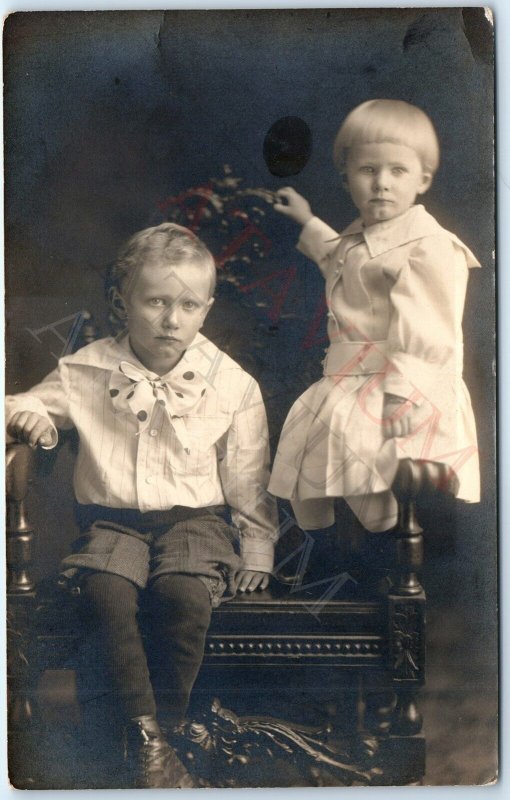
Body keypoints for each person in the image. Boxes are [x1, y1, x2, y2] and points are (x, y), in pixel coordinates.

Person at [6, 222, 278, 788]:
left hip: (196, 525)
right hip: (113, 523)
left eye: (186, 305)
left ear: (206, 309)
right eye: (154, 301)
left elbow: (249, 477)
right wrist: (30, 417)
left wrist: (256, 548)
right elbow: (22, 404)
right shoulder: (85, 370)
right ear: (121, 303)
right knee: (106, 590)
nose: (170, 319)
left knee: (183, 595)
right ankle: (152, 746)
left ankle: (161, 742)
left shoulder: (231, 384)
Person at [268, 99, 480, 561]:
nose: (381, 183)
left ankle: (381, 554)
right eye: (367, 170)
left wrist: (403, 394)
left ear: (423, 178)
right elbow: (343, 263)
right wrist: (307, 220)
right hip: (348, 380)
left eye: (398, 171)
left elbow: (428, 327)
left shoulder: (427, 247)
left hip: (398, 385)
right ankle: (321, 554)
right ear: (347, 179)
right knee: (307, 462)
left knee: (365, 471)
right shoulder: (361, 239)